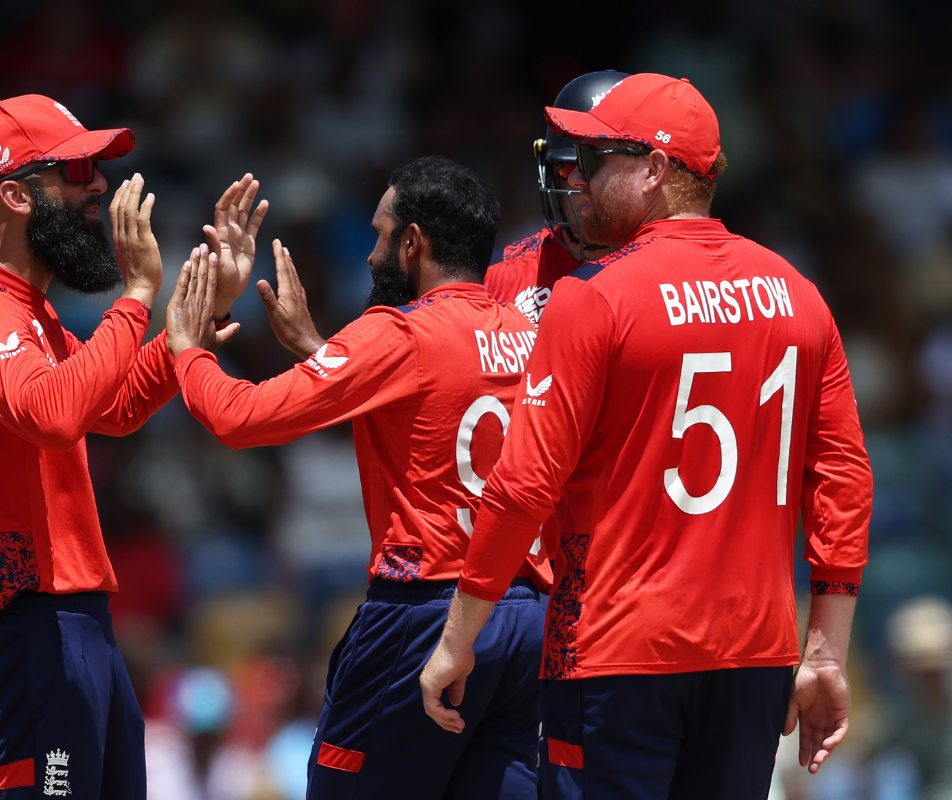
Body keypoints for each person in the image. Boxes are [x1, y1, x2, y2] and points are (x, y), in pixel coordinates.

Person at [419, 73, 873, 799]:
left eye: (598, 161)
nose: (580, 179)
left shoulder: (593, 297)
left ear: (657, 169)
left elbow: (524, 484)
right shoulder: (799, 293)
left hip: (615, 651)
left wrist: (457, 636)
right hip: (755, 657)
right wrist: (827, 650)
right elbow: (844, 479)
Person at [0, 94, 266, 799]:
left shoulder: (25, 312)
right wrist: (135, 294)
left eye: (95, 168)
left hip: (74, 626)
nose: (97, 185)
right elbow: (54, 415)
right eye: (74, 170)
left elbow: (119, 404)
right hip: (25, 630)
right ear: (14, 194)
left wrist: (201, 312)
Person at [164, 156, 551, 799]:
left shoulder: (396, 332)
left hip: (426, 615)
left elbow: (238, 418)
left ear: (413, 241)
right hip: (522, 621)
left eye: (379, 235)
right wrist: (322, 351)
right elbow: (433, 410)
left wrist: (187, 350)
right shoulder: (530, 335)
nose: (370, 257)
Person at [484, 71, 629, 328]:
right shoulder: (492, 280)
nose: (577, 180)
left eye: (595, 166)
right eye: (565, 167)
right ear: (548, 171)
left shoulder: (680, 277)